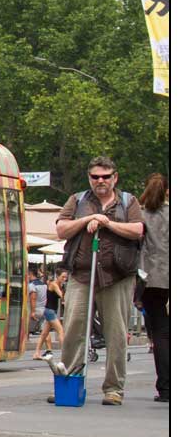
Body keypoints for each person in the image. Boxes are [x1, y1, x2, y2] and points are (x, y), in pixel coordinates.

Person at [51, 156, 146, 406]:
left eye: (105, 176)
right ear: (89, 178)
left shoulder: (128, 201)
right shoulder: (78, 200)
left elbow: (138, 229)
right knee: (73, 328)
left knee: (115, 334)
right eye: (95, 177)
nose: (100, 181)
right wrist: (87, 220)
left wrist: (107, 222)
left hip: (117, 278)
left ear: (115, 177)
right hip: (81, 275)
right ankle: (69, 380)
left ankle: (114, 389)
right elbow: (61, 229)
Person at [136, 173, 168, 402]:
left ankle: (165, 387)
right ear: (167, 191)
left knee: (159, 333)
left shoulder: (140, 215)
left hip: (150, 279)